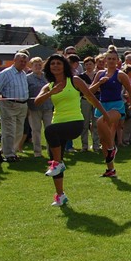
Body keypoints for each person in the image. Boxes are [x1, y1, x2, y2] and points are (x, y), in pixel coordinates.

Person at [34, 54, 106, 206]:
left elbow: (91, 97)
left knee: (49, 132)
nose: (55, 66)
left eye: (58, 63)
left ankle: (58, 163)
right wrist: (50, 93)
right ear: (49, 67)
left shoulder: (75, 81)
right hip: (58, 123)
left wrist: (105, 114)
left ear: (64, 65)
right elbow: (37, 102)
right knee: (54, 161)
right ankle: (60, 196)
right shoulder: (49, 86)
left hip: (75, 123)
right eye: (52, 64)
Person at [89, 47, 131, 178]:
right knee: (103, 140)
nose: (111, 61)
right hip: (102, 105)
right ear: (105, 60)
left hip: (117, 106)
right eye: (109, 59)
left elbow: (130, 90)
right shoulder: (100, 74)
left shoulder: (120, 74)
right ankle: (110, 168)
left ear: (118, 61)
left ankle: (112, 148)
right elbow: (90, 91)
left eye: (114, 59)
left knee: (101, 121)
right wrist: (100, 83)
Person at [0, 51, 31, 162]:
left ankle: (11, 150)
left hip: (22, 105)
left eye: (25, 61)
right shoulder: (5, 73)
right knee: (9, 130)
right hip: (9, 104)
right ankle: (9, 155)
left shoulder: (23, 74)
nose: (23, 63)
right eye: (21, 61)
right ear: (14, 61)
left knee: (19, 131)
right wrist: (3, 100)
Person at [26, 57, 53, 159]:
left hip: (48, 107)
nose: (38, 66)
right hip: (34, 108)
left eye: (39, 64)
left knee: (49, 130)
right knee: (36, 130)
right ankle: (37, 152)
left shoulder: (48, 77)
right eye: (35, 65)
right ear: (31, 66)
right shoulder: (27, 78)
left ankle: (51, 151)